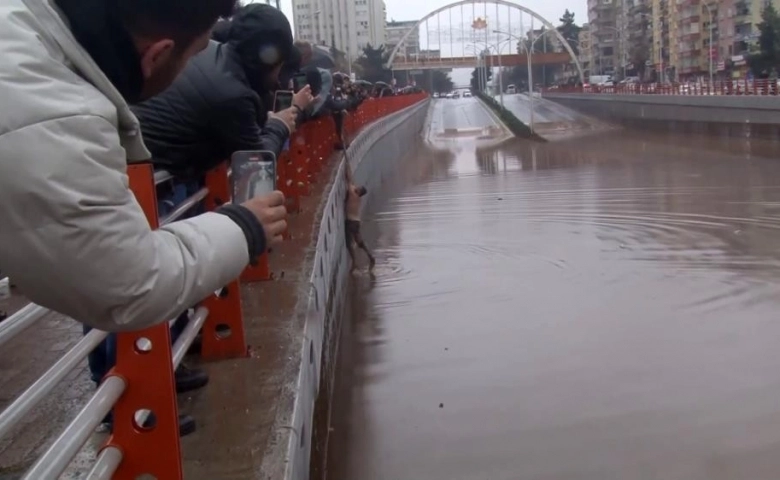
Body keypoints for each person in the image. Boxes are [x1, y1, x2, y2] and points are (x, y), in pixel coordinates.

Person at [0, 0, 288, 331]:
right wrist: (246, 226)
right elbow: (129, 285)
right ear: (157, 55)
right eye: (193, 56)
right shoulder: (62, 115)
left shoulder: (25, 31)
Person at [133, 4, 314, 180]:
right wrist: (280, 124)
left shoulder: (211, 51)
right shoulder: (234, 95)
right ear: (269, 60)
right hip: (154, 187)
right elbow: (257, 163)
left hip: (138, 164)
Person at [344, 161, 375, 274]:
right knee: (359, 242)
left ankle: (354, 262)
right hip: (356, 221)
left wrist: (346, 167)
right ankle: (370, 256)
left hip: (350, 222)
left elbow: (349, 180)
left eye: (359, 188)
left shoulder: (353, 194)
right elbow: (351, 181)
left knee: (349, 243)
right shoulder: (357, 197)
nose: (357, 187)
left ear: (359, 192)